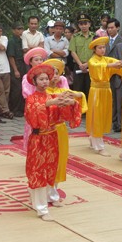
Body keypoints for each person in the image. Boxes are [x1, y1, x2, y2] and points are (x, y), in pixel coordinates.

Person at [24, 64, 79, 222]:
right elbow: (34, 113)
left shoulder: (51, 96)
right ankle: (41, 208)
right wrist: (51, 103)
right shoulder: (31, 99)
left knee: (49, 170)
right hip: (38, 139)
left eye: (46, 79)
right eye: (40, 79)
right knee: (38, 171)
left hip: (52, 138)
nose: (44, 82)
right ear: (34, 82)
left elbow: (61, 116)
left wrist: (69, 104)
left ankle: (41, 199)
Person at [43, 59, 86, 205]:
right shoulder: (42, 93)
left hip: (60, 129)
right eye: (50, 74)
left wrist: (73, 100)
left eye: (57, 73)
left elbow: (80, 95)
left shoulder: (63, 91)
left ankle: (53, 193)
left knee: (59, 160)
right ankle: (42, 191)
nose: (54, 77)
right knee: (46, 160)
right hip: (45, 131)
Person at [86, 37, 122, 156]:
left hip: (106, 90)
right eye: (100, 48)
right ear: (94, 49)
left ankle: (93, 138)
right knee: (97, 115)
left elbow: (117, 63)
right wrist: (111, 65)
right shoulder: (93, 60)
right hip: (96, 91)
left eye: (104, 47)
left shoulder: (106, 59)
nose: (102, 50)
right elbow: (99, 67)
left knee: (103, 115)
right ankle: (99, 146)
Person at [69, 13, 94, 97]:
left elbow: (96, 53)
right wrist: (81, 64)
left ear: (89, 24)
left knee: (90, 90)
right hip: (78, 66)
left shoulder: (94, 37)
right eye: (81, 24)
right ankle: (78, 110)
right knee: (77, 89)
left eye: (85, 23)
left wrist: (87, 64)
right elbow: (72, 51)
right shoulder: (75, 37)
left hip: (91, 66)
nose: (83, 26)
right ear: (78, 25)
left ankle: (89, 110)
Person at [106, 18, 122, 132]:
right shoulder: (104, 41)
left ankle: (119, 123)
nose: (110, 30)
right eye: (108, 28)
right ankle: (111, 120)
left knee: (119, 100)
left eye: (112, 27)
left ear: (117, 28)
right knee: (111, 99)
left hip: (118, 74)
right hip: (107, 74)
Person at [7, 22, 26, 117]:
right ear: (13, 30)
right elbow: (11, 57)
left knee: (23, 87)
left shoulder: (22, 40)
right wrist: (15, 70)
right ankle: (14, 109)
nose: (20, 31)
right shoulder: (11, 41)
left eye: (22, 29)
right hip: (15, 65)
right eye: (18, 29)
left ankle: (21, 108)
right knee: (16, 88)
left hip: (23, 64)